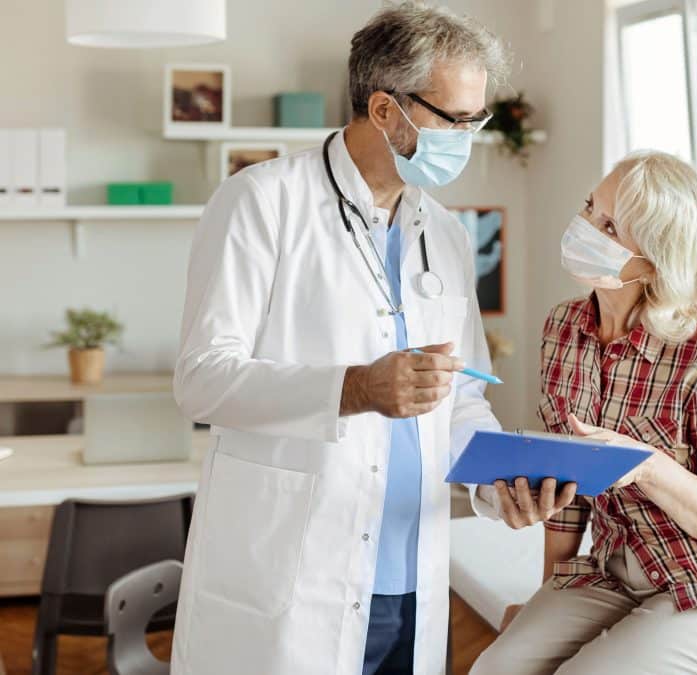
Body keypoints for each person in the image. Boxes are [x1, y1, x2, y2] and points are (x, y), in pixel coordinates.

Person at [169, 3, 511, 674]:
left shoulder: (443, 232)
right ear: (385, 110)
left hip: (414, 575)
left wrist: (502, 483)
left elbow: (463, 400)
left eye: (479, 120)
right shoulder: (262, 202)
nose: (470, 138)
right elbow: (201, 378)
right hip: (295, 577)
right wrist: (353, 388)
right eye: (455, 120)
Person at [470, 151, 697, 674]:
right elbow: (567, 494)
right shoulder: (563, 328)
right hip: (623, 569)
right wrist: (546, 600)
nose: (584, 226)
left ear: (652, 261)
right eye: (590, 208)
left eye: (608, 226)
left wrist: (647, 465)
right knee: (497, 668)